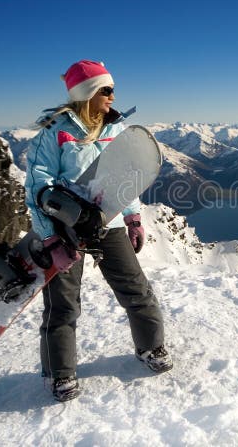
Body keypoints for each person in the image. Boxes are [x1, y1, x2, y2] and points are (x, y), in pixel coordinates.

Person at [24, 59, 172, 402]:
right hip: (65, 229)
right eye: (106, 89)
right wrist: (48, 236)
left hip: (110, 224)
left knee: (137, 291)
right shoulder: (54, 131)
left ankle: (150, 348)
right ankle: (59, 373)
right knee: (62, 306)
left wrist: (133, 217)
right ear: (86, 92)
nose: (112, 96)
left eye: (113, 89)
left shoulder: (116, 128)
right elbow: (37, 187)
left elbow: (125, 178)